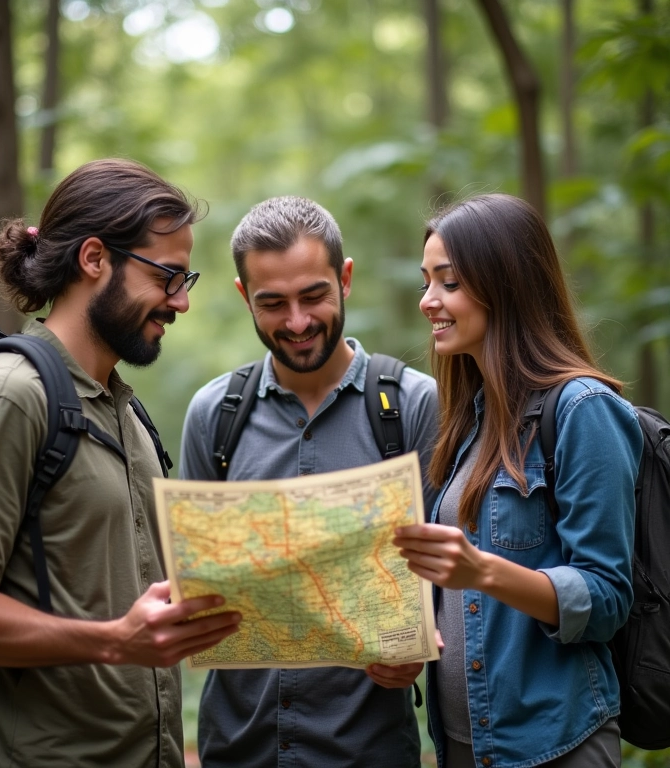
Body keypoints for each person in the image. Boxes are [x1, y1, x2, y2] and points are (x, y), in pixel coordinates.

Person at [0, 158, 241, 768]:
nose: (180, 302)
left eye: (186, 280)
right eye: (167, 276)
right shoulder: (12, 394)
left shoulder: (127, 413)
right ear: (95, 259)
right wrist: (117, 642)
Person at [179, 195, 439, 767]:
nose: (297, 322)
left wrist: (421, 647)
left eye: (313, 296)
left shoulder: (414, 405)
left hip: (368, 749)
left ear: (345, 279)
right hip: (236, 748)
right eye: (273, 303)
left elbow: (452, 578)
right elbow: (197, 587)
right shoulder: (213, 414)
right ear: (245, 296)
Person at [394, 193, 644, 768]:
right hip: (463, 744)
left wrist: (481, 570)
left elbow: (606, 596)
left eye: (448, 283)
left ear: (506, 284)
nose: (427, 301)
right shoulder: (468, 419)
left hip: (556, 744)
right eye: (426, 281)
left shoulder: (583, 410)